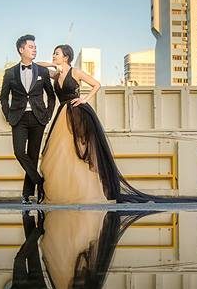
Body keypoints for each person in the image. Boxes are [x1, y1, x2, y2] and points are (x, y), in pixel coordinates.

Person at [37, 44, 149, 204]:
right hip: (62, 114)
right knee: (60, 153)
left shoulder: (75, 72)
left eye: (57, 54)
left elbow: (96, 84)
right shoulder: (56, 75)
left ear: (66, 57)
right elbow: (37, 66)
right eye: (54, 54)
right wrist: (53, 64)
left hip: (77, 113)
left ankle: (86, 191)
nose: (53, 56)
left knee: (81, 151)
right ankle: (67, 192)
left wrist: (84, 99)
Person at [0, 34, 58, 204]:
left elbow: (51, 96)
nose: (35, 49)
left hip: (38, 118)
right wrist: (8, 115)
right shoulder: (10, 73)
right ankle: (41, 183)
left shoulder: (42, 71)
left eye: (35, 47)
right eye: (31, 47)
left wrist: (47, 115)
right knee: (19, 152)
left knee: (33, 156)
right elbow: (3, 98)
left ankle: (27, 194)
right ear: (21, 49)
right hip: (18, 118)